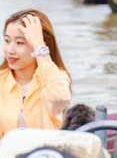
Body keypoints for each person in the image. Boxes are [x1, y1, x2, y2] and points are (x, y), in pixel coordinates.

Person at [0, 10, 71, 139]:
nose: (10, 50)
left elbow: (59, 100)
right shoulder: (2, 79)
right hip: (8, 156)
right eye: (7, 40)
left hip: (47, 154)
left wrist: (39, 46)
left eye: (20, 43)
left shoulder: (57, 77)